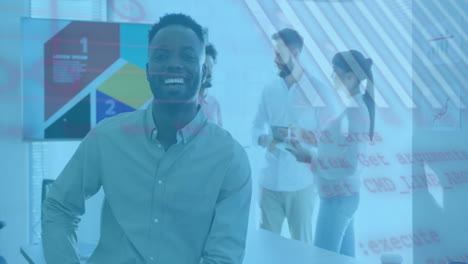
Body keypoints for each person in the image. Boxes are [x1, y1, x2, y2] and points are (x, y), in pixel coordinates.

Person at [42, 13, 252, 264]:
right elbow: (59, 207)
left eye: (187, 56)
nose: (174, 64)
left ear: (204, 70)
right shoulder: (107, 137)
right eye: (162, 56)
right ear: (148, 70)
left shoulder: (230, 159)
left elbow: (223, 258)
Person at [286, 49, 375, 257]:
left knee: (323, 259)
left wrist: (309, 157)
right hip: (342, 198)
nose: (332, 78)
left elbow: (350, 164)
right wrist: (305, 136)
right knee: (342, 260)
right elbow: (336, 142)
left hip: (338, 200)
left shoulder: (355, 112)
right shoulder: (353, 110)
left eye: (335, 73)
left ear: (350, 77)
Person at [252, 28, 318, 243]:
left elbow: (328, 139)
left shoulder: (317, 91)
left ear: (295, 54)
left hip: (301, 184)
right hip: (269, 182)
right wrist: (262, 139)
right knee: (267, 247)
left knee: (303, 247)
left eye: (279, 53)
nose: (275, 59)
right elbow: (256, 125)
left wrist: (300, 137)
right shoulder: (269, 89)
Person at [199, 43, 223, 127]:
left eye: (211, 67)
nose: (210, 73)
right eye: (205, 68)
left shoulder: (215, 104)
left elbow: (220, 137)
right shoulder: (185, 104)